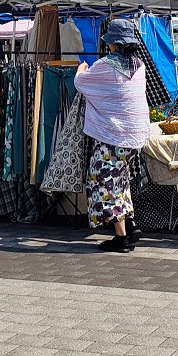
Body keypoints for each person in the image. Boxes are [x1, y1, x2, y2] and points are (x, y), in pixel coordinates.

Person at [74, 18, 149, 253]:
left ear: (113, 43)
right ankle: (130, 224)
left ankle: (121, 239)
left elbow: (81, 83)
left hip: (113, 135)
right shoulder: (139, 66)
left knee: (105, 181)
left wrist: (81, 68)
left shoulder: (105, 65)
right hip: (134, 135)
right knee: (121, 180)